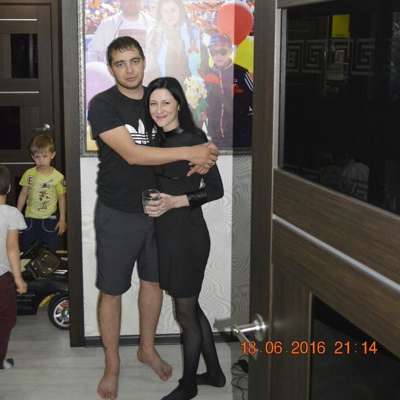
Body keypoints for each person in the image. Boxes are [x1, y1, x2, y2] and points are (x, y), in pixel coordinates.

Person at [87, 36, 218, 400]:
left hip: (162, 213)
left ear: (145, 61)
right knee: (112, 290)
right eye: (120, 63)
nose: (129, 70)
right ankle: (112, 364)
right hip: (118, 212)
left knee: (153, 283)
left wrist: (206, 152)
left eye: (135, 61)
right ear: (111, 68)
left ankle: (147, 348)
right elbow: (133, 154)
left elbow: (186, 134)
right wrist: (193, 151)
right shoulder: (103, 104)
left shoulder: (156, 100)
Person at [143, 77, 226, 400]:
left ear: (178, 103)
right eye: (153, 103)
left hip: (188, 237)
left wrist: (175, 201)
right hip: (167, 236)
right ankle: (215, 373)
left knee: (184, 313)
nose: (159, 109)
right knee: (191, 308)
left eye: (165, 102)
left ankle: (188, 384)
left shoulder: (193, 140)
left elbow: (216, 190)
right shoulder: (156, 141)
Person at [17, 134, 67, 252]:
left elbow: (61, 198)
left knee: (49, 251)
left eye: (45, 156)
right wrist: (17, 214)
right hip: (30, 218)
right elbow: (23, 194)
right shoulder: (29, 174)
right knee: (28, 250)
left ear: (52, 155)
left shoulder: (58, 177)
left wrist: (62, 219)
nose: (41, 160)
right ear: (32, 157)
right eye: (37, 157)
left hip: (49, 219)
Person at [204, 32, 253, 149]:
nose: (218, 56)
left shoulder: (241, 73)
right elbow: (204, 103)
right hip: (216, 136)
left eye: (223, 51)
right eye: (214, 52)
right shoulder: (207, 75)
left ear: (230, 51)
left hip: (240, 134)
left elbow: (256, 100)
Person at [0, 165, 28, 370]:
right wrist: (18, 278)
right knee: (6, 318)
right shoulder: (12, 214)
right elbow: (12, 248)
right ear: (9, 188)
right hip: (2, 277)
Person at [144, 0, 206, 85]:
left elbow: (202, 61)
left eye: (173, 10)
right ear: (160, 13)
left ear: (180, 10)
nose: (170, 15)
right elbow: (150, 65)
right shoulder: (154, 34)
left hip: (190, 87)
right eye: (165, 11)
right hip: (164, 86)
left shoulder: (191, 32)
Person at [87, 0, 155, 63]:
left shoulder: (152, 25)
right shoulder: (107, 25)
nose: (132, 2)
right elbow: (93, 53)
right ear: (121, 2)